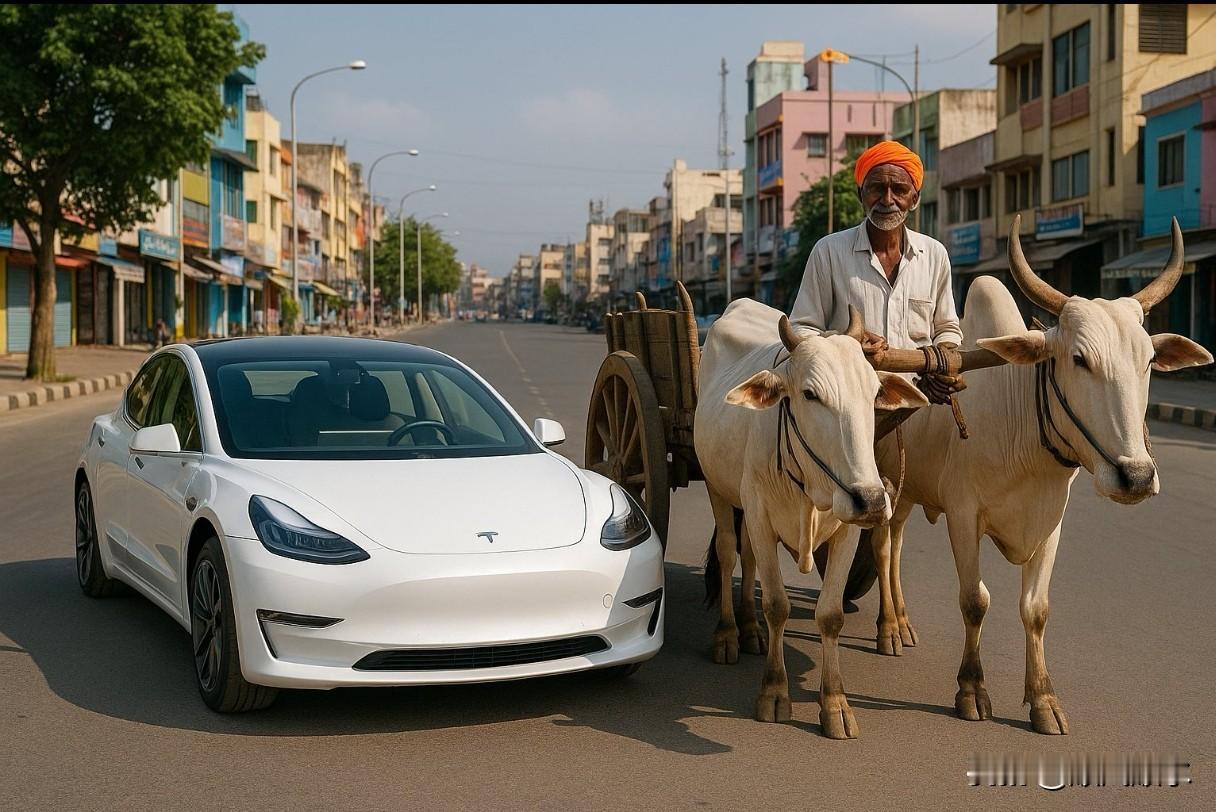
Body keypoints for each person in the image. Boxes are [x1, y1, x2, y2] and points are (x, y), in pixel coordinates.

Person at [790, 140, 964, 405]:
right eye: (877, 189)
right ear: (861, 194)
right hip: (850, 403)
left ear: (915, 198)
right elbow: (802, 329)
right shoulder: (829, 251)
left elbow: (947, 328)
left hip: (921, 401)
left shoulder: (934, 254)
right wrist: (847, 342)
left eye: (899, 190)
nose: (887, 200)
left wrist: (942, 363)